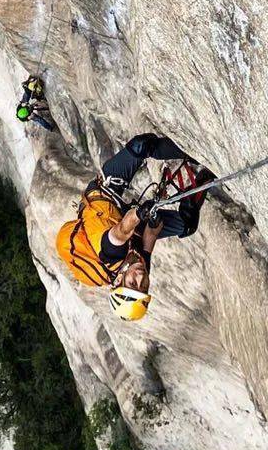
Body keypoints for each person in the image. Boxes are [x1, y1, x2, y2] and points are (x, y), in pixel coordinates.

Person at [55, 133, 215, 322]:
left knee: (141, 146)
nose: (140, 278)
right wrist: (153, 223)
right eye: (143, 286)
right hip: (130, 228)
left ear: (119, 281)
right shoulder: (139, 269)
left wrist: (140, 214)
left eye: (132, 283)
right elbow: (150, 237)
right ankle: (208, 173)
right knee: (187, 224)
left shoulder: (110, 254)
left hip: (104, 198)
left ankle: (192, 148)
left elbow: (122, 229)